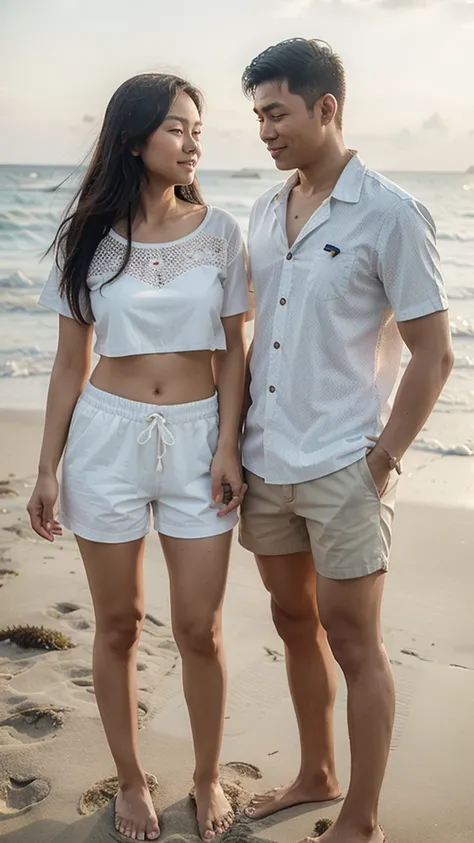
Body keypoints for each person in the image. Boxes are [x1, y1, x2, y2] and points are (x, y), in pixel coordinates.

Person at [238, 38, 454, 843]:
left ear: (327, 107)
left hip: (345, 465)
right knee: (293, 621)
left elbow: (436, 354)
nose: (264, 131)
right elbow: (252, 337)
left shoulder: (393, 211)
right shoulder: (264, 208)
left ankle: (361, 818)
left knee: (355, 640)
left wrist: (383, 460)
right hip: (265, 462)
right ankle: (315, 773)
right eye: (258, 115)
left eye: (277, 113)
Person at [27, 73, 250, 842]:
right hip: (106, 436)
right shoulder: (88, 235)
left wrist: (227, 443)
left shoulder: (221, 231)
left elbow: (237, 352)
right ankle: (130, 781)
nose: (194, 142)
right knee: (117, 621)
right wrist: (47, 465)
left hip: (197, 441)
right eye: (177, 129)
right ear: (133, 140)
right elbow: (68, 363)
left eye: (198, 129)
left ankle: (205, 774)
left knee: (201, 627)